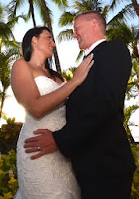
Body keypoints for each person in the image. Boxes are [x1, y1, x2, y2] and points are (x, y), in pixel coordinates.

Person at [24, 11, 136, 199]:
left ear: (93, 24)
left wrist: (60, 139)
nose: (74, 35)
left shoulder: (113, 50)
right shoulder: (84, 64)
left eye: (76, 29)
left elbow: (104, 104)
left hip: (107, 166)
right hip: (88, 166)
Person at [11, 26, 94, 199]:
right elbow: (36, 108)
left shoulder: (58, 77)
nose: (54, 43)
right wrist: (74, 82)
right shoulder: (21, 66)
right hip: (37, 146)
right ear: (34, 39)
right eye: (48, 38)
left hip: (63, 147)